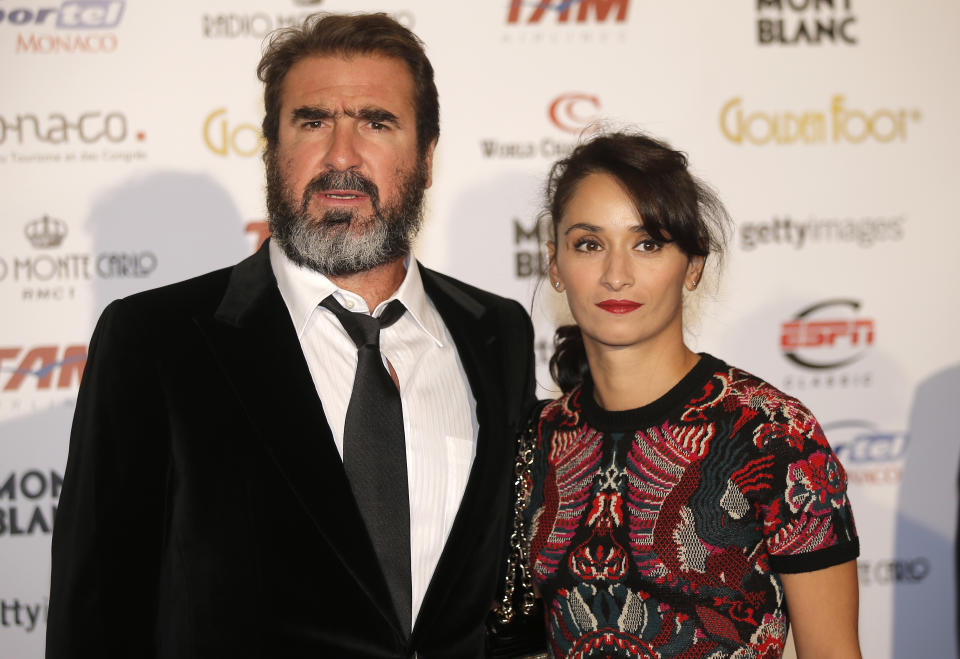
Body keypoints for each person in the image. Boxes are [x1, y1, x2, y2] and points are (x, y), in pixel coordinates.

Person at [46, 13, 535, 658]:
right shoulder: (155, 343)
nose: (340, 156)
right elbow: (98, 617)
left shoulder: (497, 333)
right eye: (312, 122)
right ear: (273, 149)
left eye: (376, 122)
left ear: (427, 157)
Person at [517, 132, 861, 658]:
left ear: (693, 266)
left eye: (647, 243)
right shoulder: (538, 438)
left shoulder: (773, 434)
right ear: (555, 265)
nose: (616, 274)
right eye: (590, 244)